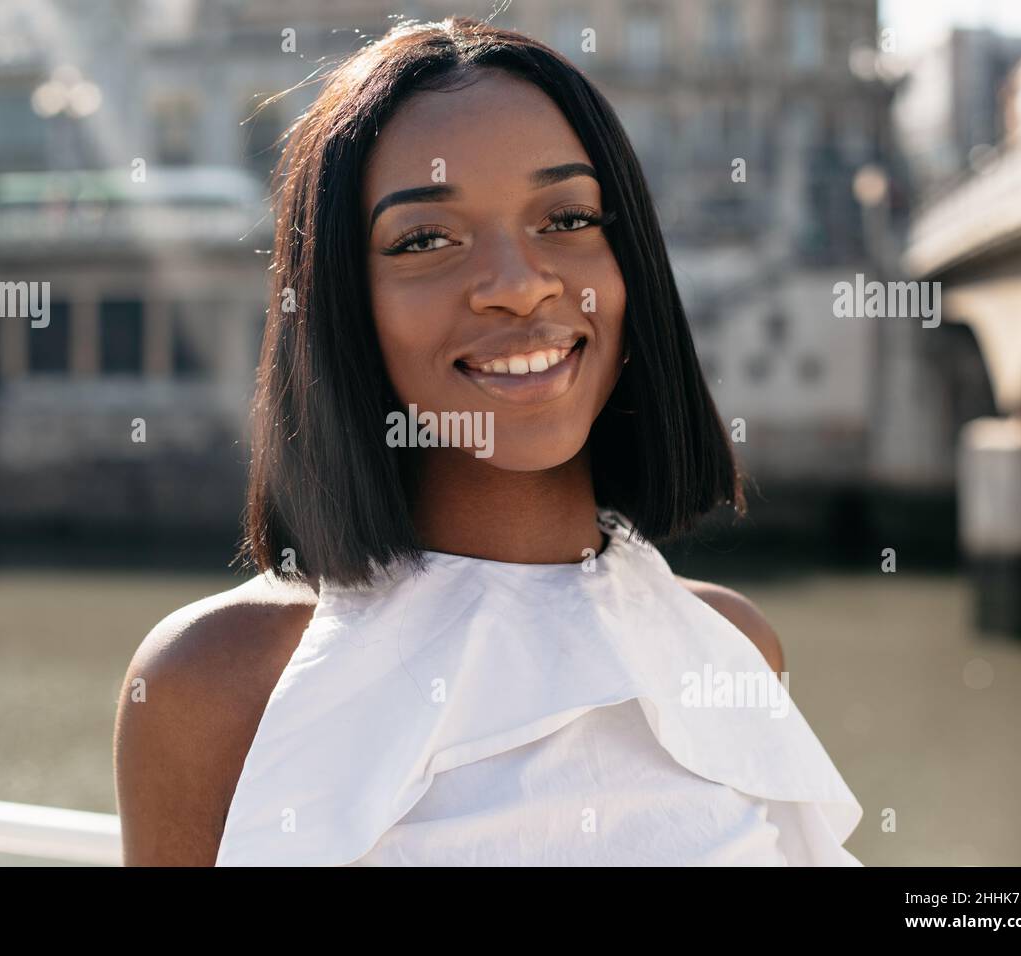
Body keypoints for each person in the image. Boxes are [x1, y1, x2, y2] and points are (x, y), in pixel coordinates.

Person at [114, 15, 862, 866]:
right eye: (425, 238)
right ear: (340, 306)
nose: (517, 285)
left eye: (568, 217)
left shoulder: (734, 645)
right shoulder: (214, 681)